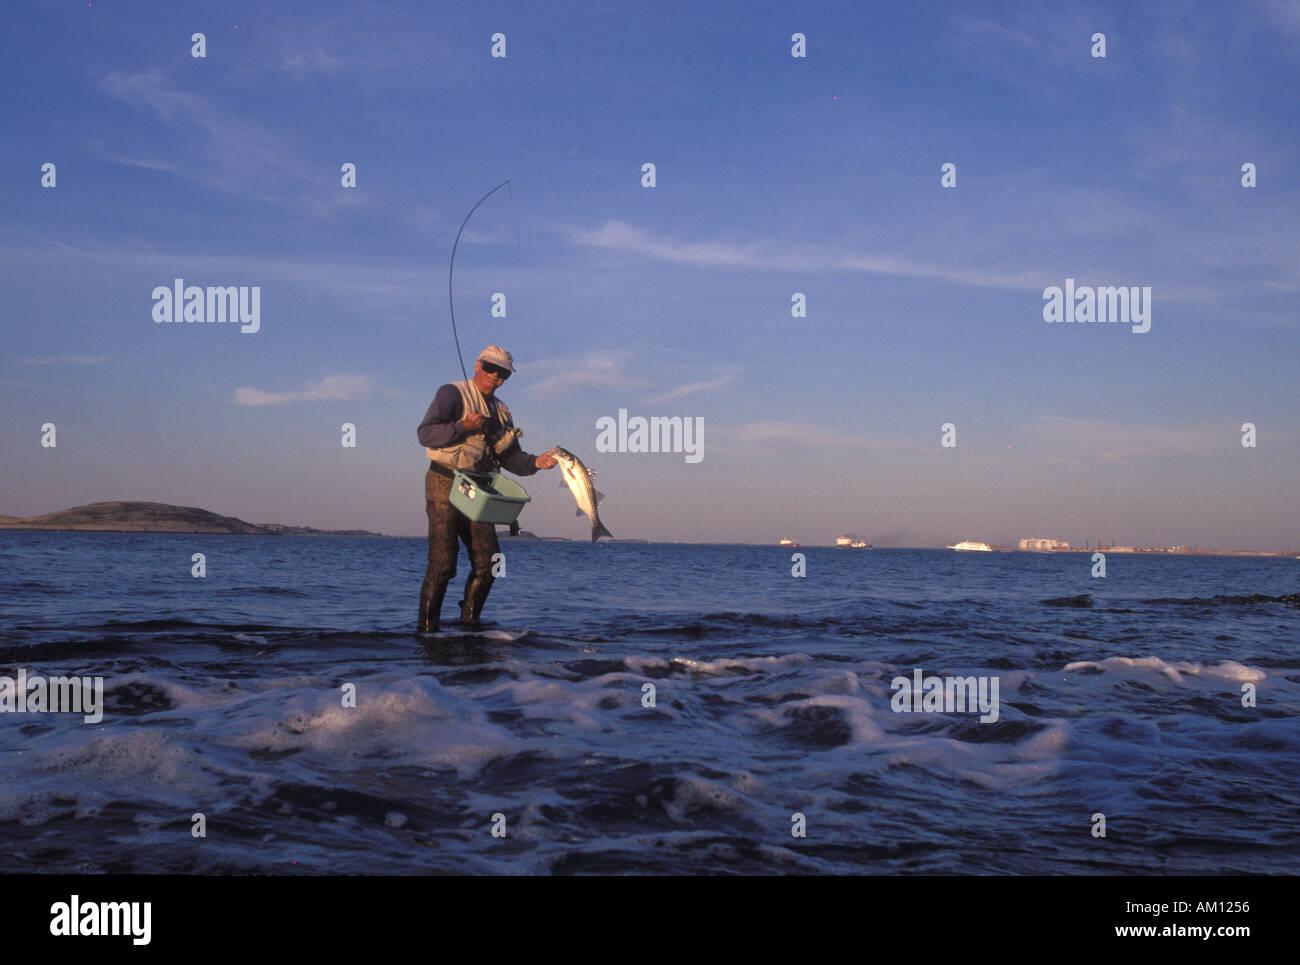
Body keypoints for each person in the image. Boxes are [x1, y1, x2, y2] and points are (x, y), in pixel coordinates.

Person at [416, 345, 556, 632]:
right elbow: (425, 434)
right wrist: (463, 426)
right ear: (478, 365)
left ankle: (468, 625)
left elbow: (510, 457)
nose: (497, 377)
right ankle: (427, 632)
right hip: (444, 481)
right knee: (443, 563)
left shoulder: (502, 411)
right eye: (491, 369)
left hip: (479, 489)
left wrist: (536, 463)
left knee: (490, 562)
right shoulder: (451, 393)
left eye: (503, 374)